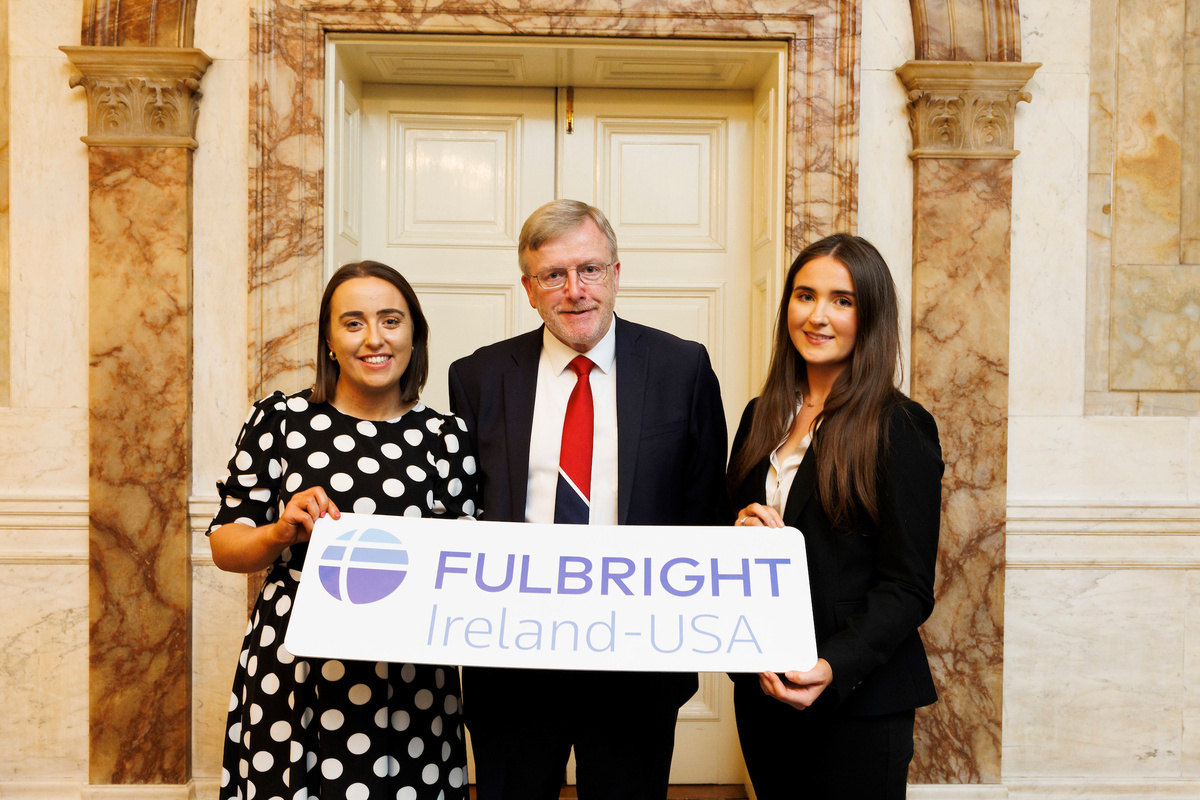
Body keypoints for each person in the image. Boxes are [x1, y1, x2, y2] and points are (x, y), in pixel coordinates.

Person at [447, 199, 729, 800]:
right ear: (528, 288)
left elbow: (704, 510)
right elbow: (458, 514)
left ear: (617, 272)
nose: (575, 291)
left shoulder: (682, 368)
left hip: (635, 662)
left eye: (591, 270)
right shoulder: (476, 377)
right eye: (554, 275)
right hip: (512, 660)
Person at [209, 261, 480, 800]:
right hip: (294, 664)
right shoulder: (278, 421)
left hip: (410, 676)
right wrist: (280, 531)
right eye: (353, 323)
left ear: (414, 336)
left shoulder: (446, 436)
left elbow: (465, 560)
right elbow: (225, 545)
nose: (374, 339)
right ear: (329, 340)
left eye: (391, 321)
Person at [727, 234, 943, 798]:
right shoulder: (760, 416)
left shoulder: (900, 425)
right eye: (805, 295)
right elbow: (724, 544)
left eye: (841, 300)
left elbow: (908, 585)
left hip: (856, 701)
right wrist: (739, 532)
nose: (818, 315)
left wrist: (831, 664)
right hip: (764, 694)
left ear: (869, 315)